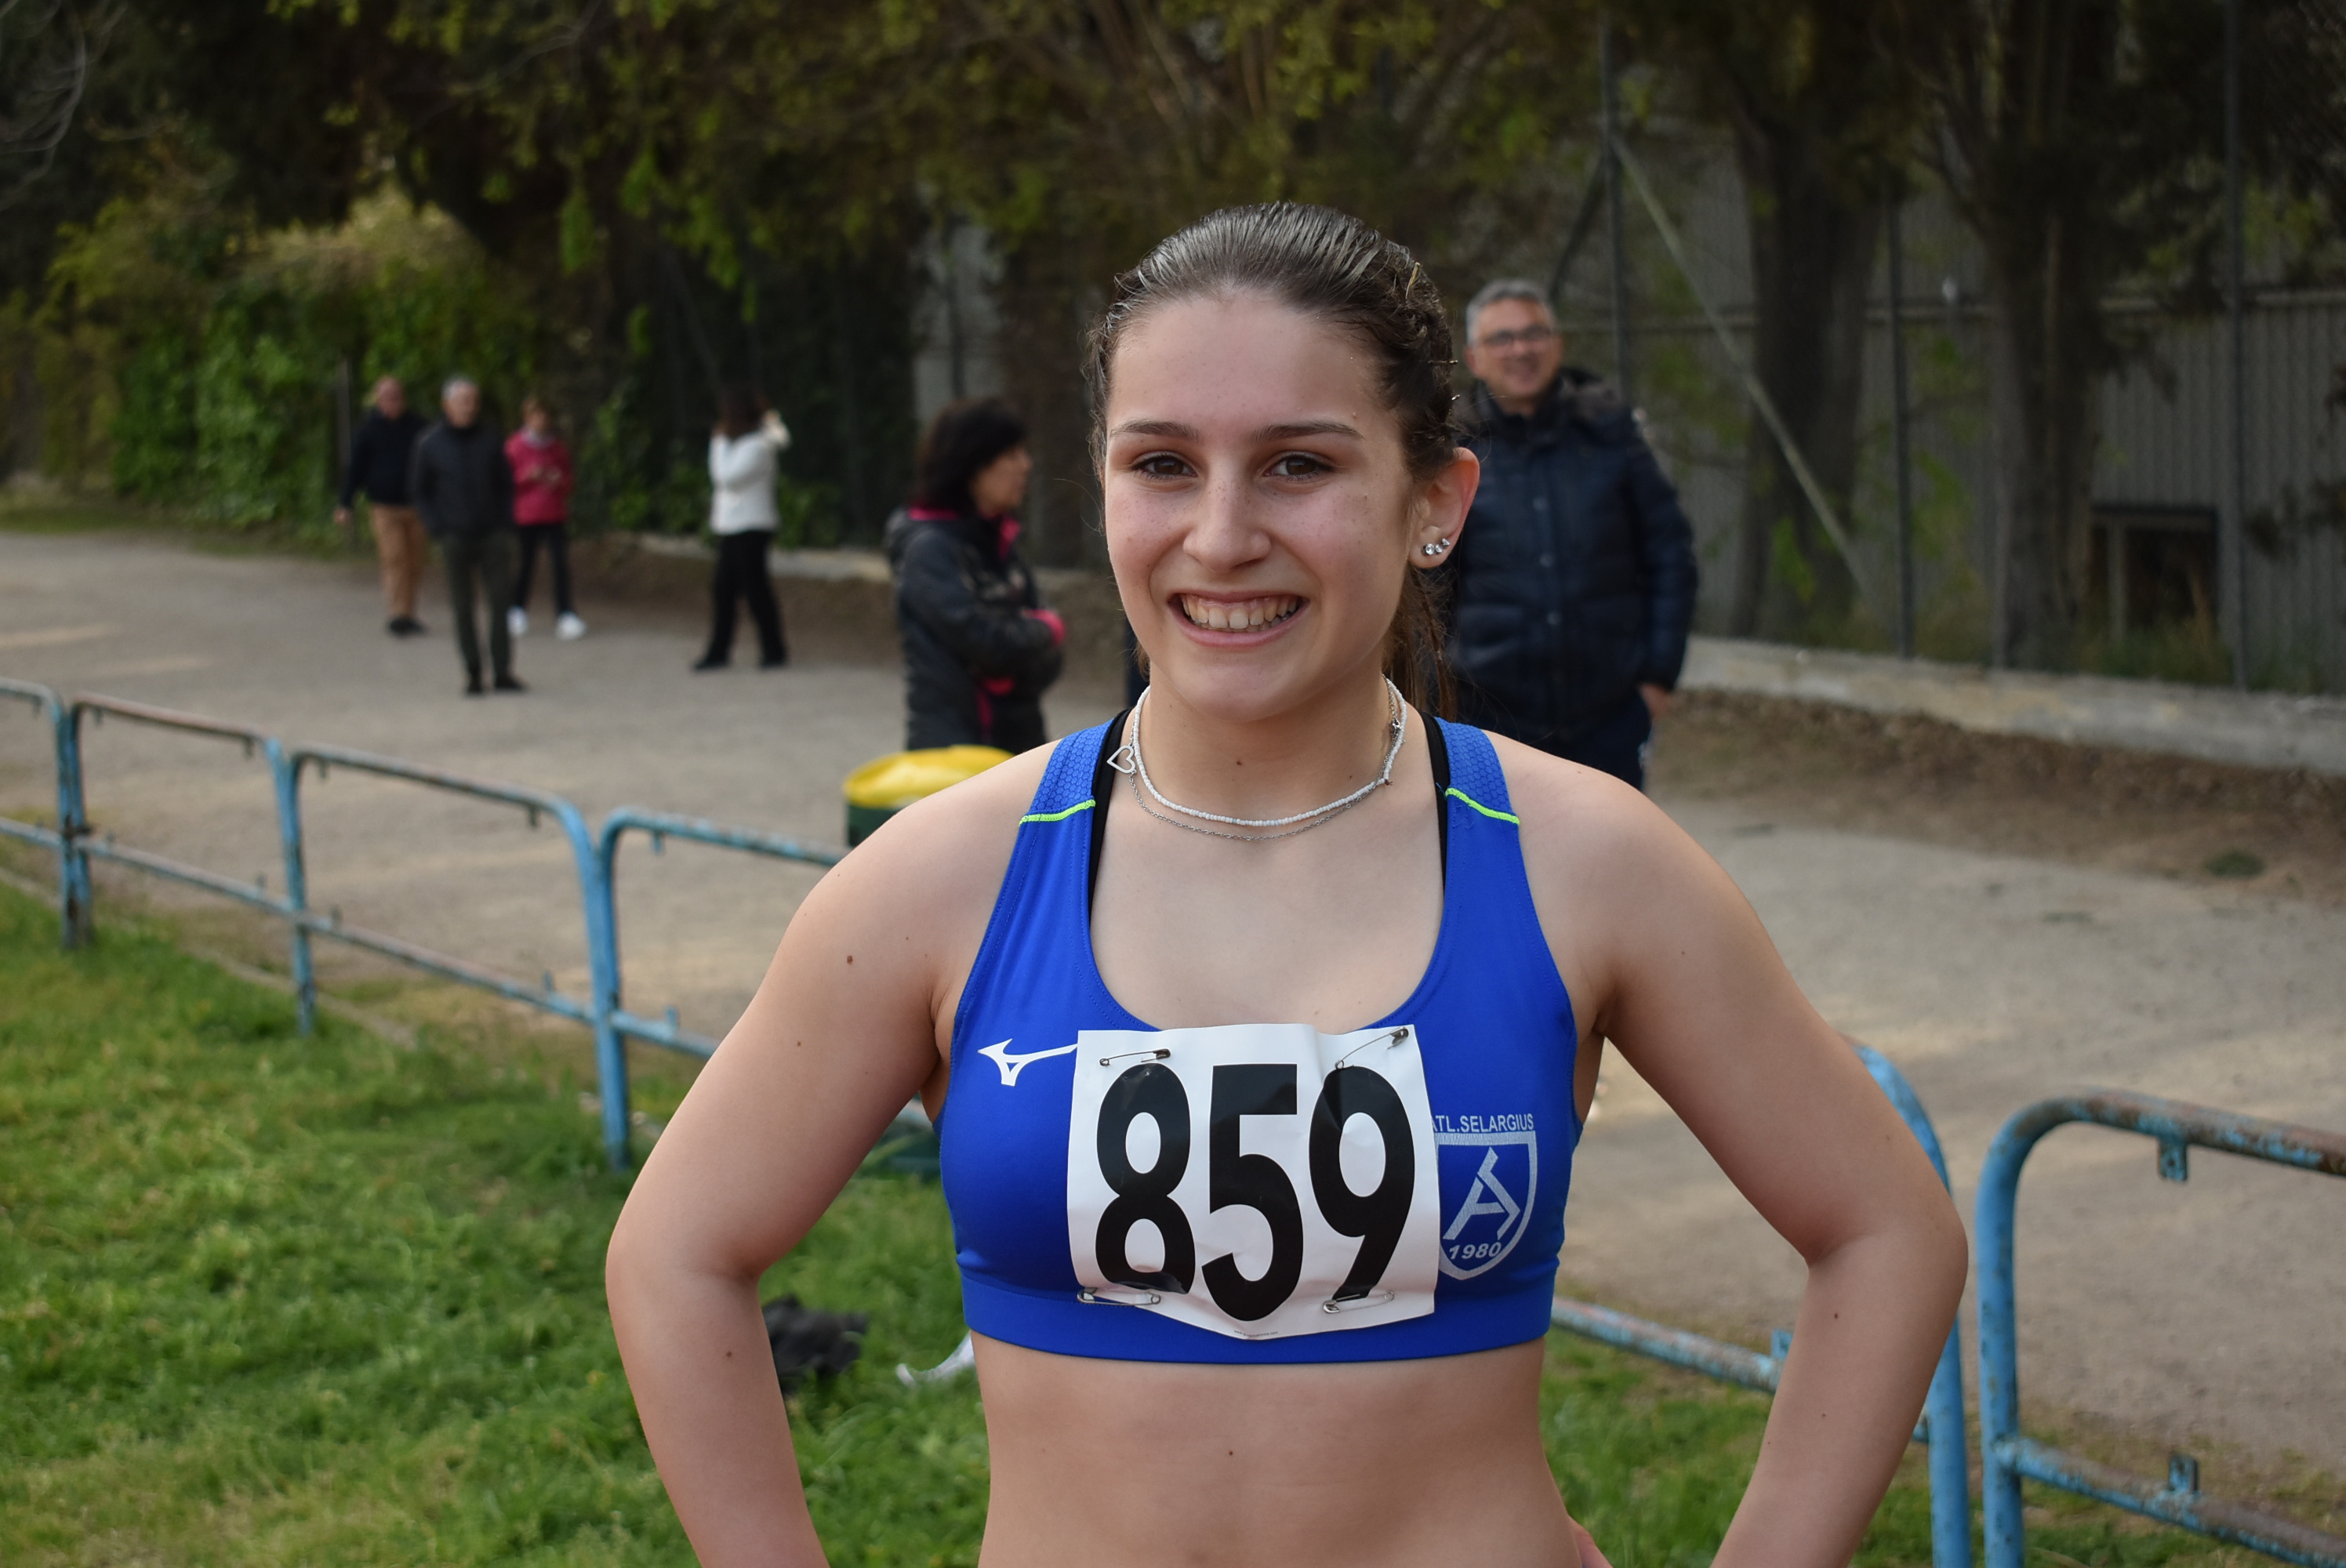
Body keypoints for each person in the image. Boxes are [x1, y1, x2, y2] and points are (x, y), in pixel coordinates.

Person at [605, 204, 1965, 1567]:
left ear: (1434, 504)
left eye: (1297, 465)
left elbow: (1886, 1229)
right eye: (1161, 464)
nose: (1219, 536)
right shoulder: (939, 880)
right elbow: (675, 1254)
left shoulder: (1589, 861)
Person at [1447, 278, 1698, 789]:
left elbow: (1670, 554)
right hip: (1487, 724)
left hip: (1607, 720)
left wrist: (1656, 678)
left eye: (1534, 333)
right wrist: (1437, 695)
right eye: (1502, 338)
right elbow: (1423, 582)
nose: (1521, 349)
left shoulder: (1612, 435)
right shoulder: (1452, 451)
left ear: (1557, 345)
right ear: (1474, 358)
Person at [881, 398, 1065, 752]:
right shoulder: (930, 549)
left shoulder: (1000, 538)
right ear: (972, 465)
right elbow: (987, 644)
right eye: (1011, 454)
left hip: (1019, 738)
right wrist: (1042, 631)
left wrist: (1028, 647)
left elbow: (1049, 656)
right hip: (956, 748)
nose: (1025, 465)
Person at [410, 376, 524, 696]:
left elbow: (506, 484)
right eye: (462, 401)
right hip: (454, 535)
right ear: (447, 405)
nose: (468, 407)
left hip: (492, 533)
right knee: (462, 606)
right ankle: (473, 671)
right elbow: (420, 491)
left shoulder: (490, 440)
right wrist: (437, 527)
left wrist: (506, 522)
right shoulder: (430, 444)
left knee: (500, 601)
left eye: (472, 401)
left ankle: (502, 670)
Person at [696, 385, 792, 671]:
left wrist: (718, 443)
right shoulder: (741, 443)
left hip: (751, 525)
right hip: (731, 525)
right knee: (724, 589)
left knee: (755, 589)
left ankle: (772, 650)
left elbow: (726, 477)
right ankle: (721, 651)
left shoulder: (758, 445)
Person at [335, 376, 430, 637]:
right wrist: (345, 503)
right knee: (395, 558)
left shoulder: (419, 427)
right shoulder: (368, 430)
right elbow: (356, 469)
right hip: (384, 507)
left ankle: (410, 613)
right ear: (378, 400)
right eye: (387, 398)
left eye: (396, 397)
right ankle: (398, 614)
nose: (393, 402)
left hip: (415, 506)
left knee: (415, 562)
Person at [505, 394, 583, 640]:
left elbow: (569, 480)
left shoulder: (557, 448)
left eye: (544, 416)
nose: (540, 420)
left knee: (560, 565)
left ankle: (565, 613)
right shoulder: (515, 446)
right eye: (535, 416)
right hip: (526, 515)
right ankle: (516, 609)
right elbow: (505, 482)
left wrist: (558, 480)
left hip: (554, 513)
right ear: (527, 418)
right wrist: (527, 477)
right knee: (525, 564)